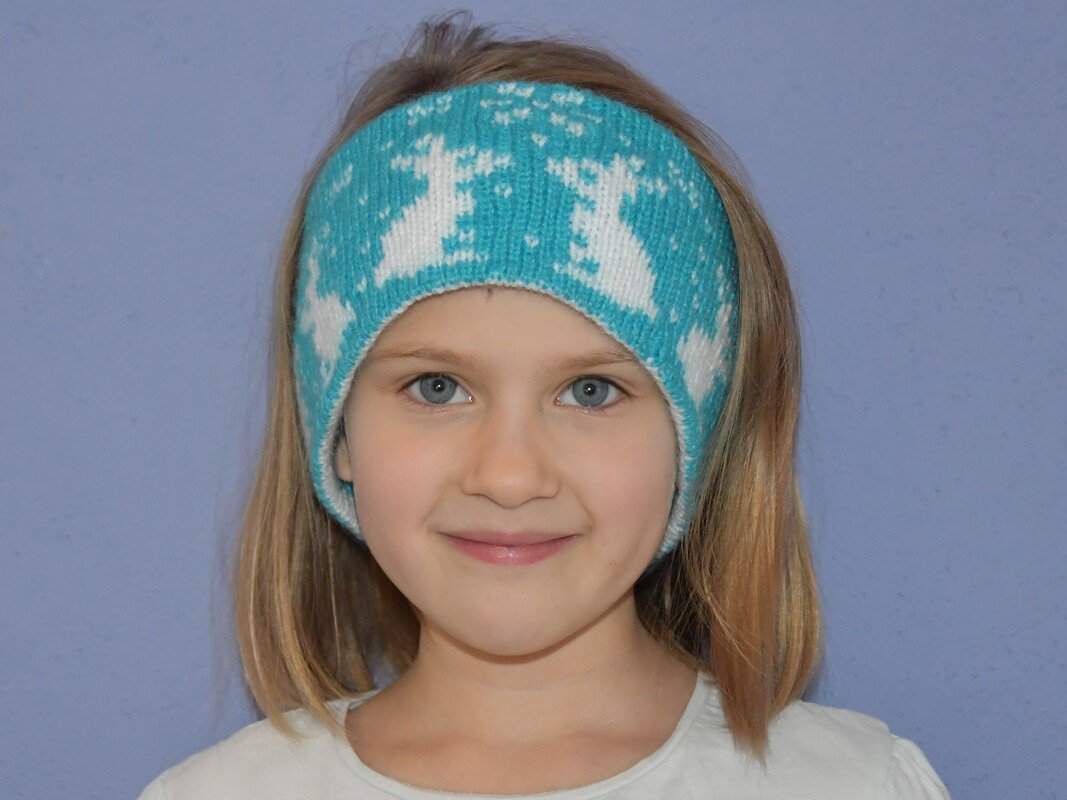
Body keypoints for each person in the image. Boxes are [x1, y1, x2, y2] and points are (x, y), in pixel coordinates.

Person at [136, 11, 951, 799]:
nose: (509, 476)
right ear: (337, 432)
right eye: (436, 387)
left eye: (590, 391)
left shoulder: (853, 786)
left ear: (694, 439)